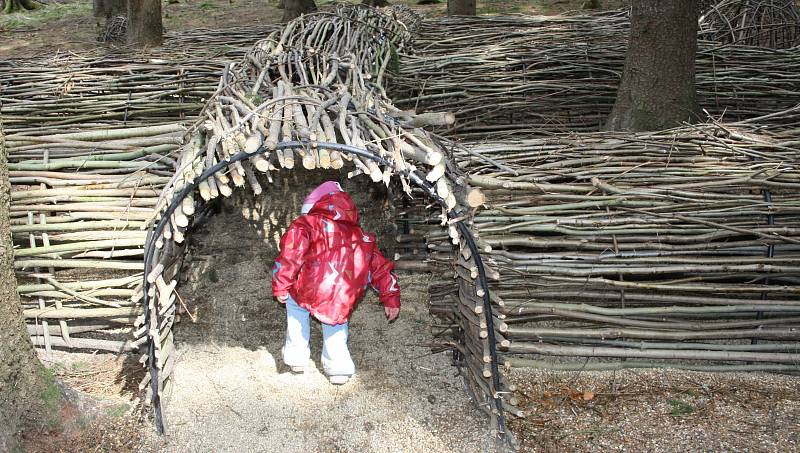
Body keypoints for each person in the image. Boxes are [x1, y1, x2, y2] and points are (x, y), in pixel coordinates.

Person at [271, 181, 401, 385]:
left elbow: (291, 255)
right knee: (336, 322)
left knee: (295, 306)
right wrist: (390, 297)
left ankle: (296, 357)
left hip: (308, 287)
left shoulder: (307, 224)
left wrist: (281, 284)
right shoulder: (362, 237)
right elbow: (381, 269)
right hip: (343, 293)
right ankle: (338, 368)